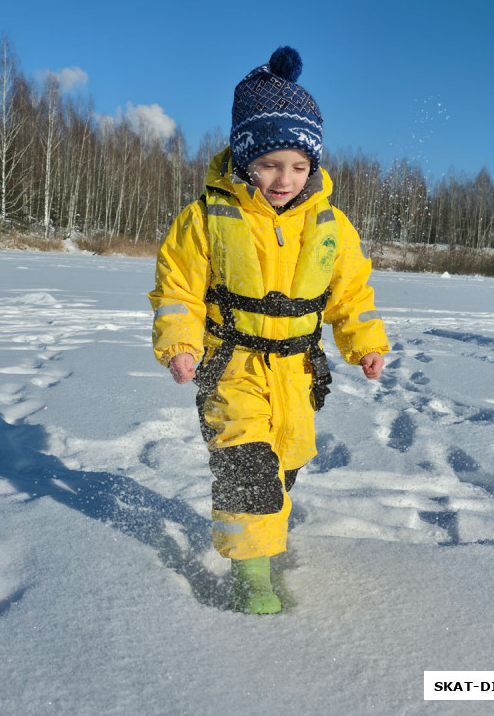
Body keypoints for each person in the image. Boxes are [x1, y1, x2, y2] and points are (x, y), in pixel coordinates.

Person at [148, 47, 390, 614]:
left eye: (299, 166)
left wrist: (366, 344)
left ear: (314, 167)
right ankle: (251, 575)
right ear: (244, 159)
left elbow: (351, 293)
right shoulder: (206, 217)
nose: (285, 179)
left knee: (284, 464)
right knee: (246, 467)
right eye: (271, 165)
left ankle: (262, 541)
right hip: (230, 365)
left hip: (299, 372)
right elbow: (177, 288)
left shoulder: (331, 225)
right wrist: (180, 344)